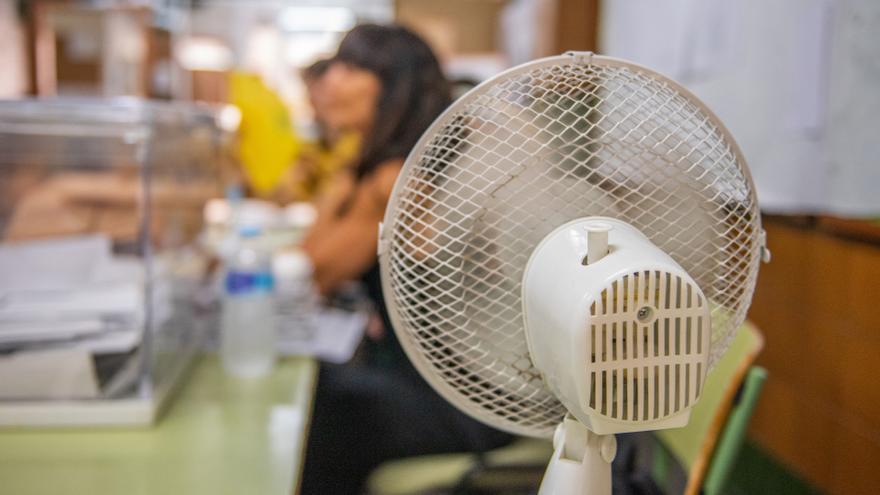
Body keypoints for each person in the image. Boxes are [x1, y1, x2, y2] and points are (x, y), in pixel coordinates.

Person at [299, 24, 512, 494]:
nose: (330, 81)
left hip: (460, 405)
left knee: (322, 406)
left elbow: (312, 273)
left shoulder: (394, 180)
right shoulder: (405, 164)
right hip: (440, 386)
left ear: (394, 87)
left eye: (351, 67)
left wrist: (342, 176)